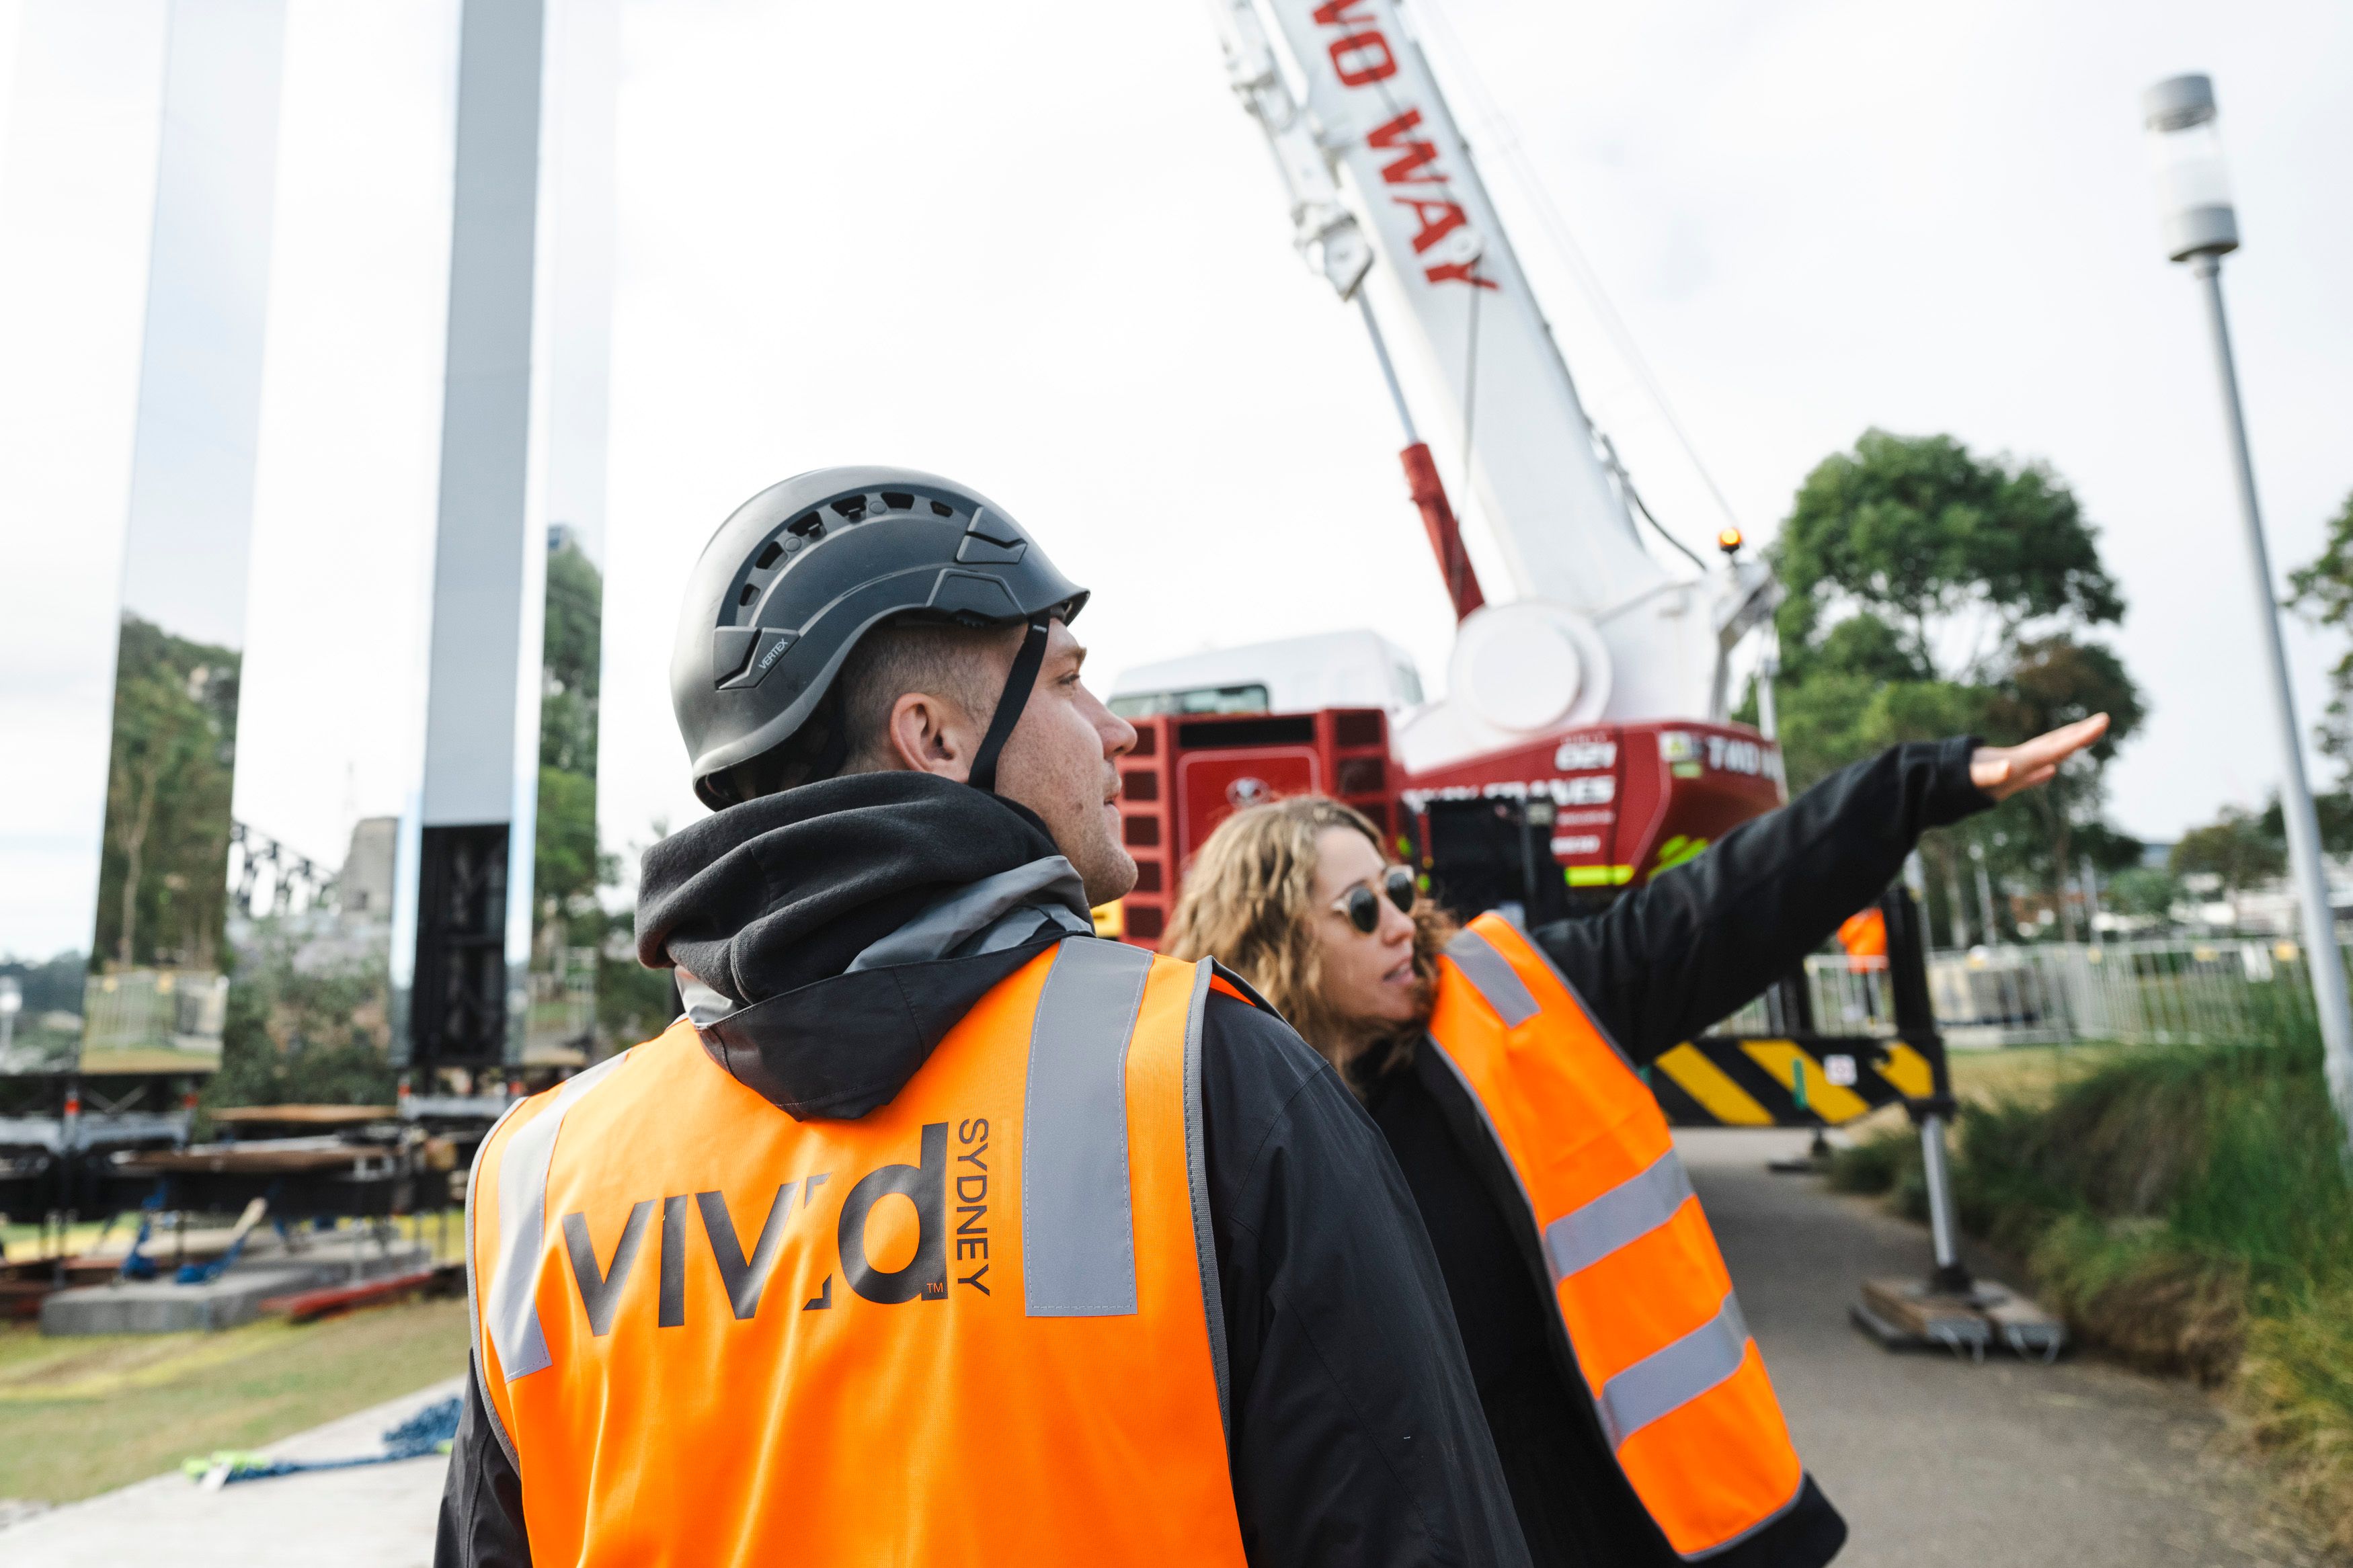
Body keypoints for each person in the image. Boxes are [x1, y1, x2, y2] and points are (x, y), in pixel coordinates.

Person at [435, 467, 1531, 1567]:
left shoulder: (542, 1177)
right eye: (1066, 681)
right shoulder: (1203, 1079)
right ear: (937, 738)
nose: (1120, 733)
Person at [1164, 716, 2108, 1568]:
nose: (1404, 921)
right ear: (1275, 938)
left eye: (1398, 888)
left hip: (1608, 1511)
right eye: (1362, 908)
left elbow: (1716, 909)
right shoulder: (1237, 1127)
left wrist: (1920, 782)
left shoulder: (1511, 1004)